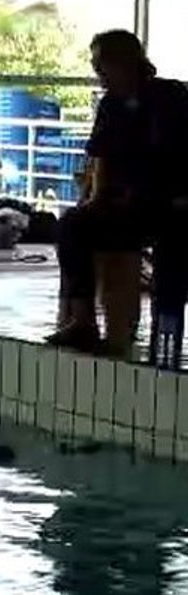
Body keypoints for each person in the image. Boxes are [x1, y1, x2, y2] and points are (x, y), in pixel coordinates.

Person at [47, 29, 188, 354]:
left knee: (174, 251)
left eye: (100, 66)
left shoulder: (171, 98)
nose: (97, 74)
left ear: (123, 62)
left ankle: (165, 335)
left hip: (169, 203)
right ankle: (83, 321)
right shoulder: (110, 105)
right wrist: (93, 200)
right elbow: (101, 157)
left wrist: (158, 194)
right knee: (73, 225)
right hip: (126, 205)